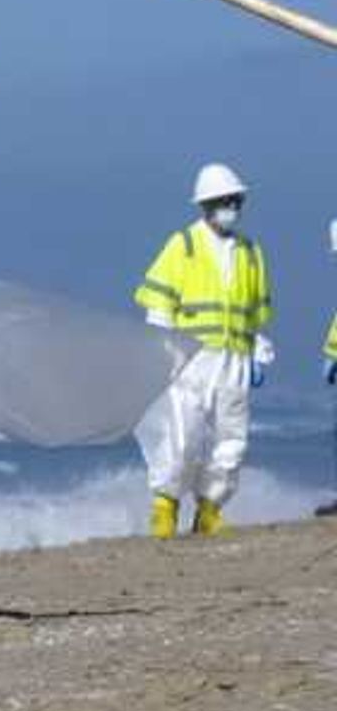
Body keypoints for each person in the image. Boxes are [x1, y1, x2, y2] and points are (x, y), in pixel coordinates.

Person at [133, 162, 274, 535]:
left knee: (231, 437)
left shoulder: (250, 252)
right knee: (183, 432)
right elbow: (159, 305)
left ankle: (210, 510)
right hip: (191, 358)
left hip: (234, 359)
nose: (232, 208)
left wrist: (258, 351)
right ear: (207, 205)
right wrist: (163, 350)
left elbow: (255, 312)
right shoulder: (184, 246)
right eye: (226, 201)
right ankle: (165, 507)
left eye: (236, 201)